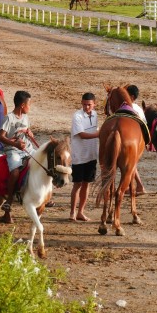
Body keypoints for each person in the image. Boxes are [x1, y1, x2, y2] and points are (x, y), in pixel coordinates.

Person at [0, 91, 38, 223]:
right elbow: (1, 136)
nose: (30, 107)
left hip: (27, 148)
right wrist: (14, 143)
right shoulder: (9, 118)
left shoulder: (25, 117)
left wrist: (29, 133)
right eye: (29, 104)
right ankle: (9, 200)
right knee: (15, 172)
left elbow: (26, 131)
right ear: (22, 105)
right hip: (13, 150)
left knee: (41, 163)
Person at [70, 92, 100, 222]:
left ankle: (80, 212)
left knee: (86, 184)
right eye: (84, 104)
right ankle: (72, 212)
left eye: (89, 105)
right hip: (79, 156)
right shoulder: (77, 116)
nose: (86, 107)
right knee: (77, 185)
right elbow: (81, 135)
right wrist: (99, 134)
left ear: (94, 104)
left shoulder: (95, 115)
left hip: (91, 155)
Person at [126, 85, 146, 195]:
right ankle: (138, 186)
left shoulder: (127, 108)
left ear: (132, 97)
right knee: (132, 164)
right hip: (139, 141)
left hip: (131, 139)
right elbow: (144, 125)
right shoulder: (138, 108)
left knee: (130, 164)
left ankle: (139, 186)